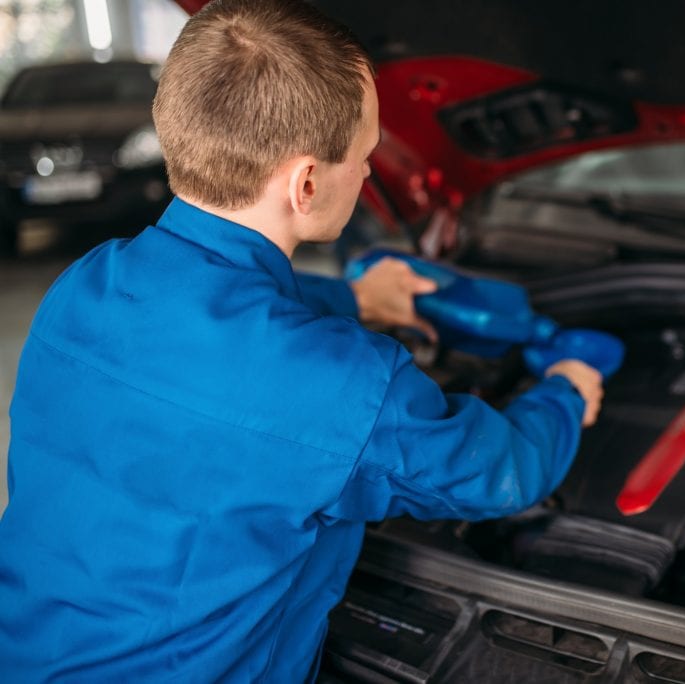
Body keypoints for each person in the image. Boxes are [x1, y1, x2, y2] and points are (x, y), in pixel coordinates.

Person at [0, 0, 603, 681]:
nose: (373, 174)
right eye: (368, 155)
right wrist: (566, 391)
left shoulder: (88, 283)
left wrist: (358, 300)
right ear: (307, 182)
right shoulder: (347, 388)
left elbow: (213, 310)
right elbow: (504, 472)